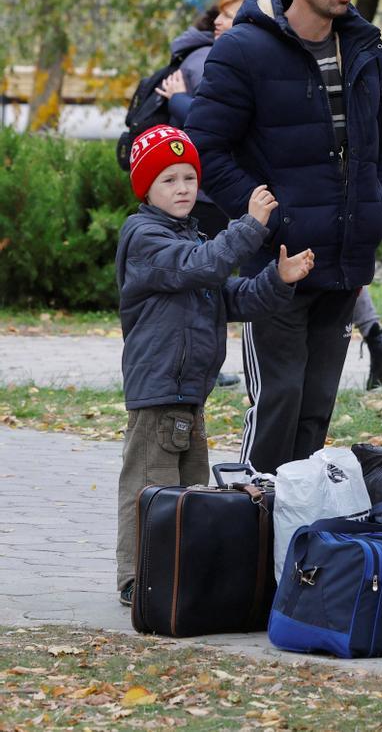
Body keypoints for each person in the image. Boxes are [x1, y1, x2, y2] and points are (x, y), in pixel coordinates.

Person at [186, 0, 382, 474]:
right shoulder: (243, 48)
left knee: (314, 415)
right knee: (277, 406)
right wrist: (268, 220)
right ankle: (249, 538)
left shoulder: (363, 47)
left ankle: (295, 548)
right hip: (275, 270)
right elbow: (207, 149)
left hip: (343, 261)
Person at [114, 124, 314, 606]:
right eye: (168, 180)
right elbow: (202, 266)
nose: (183, 188)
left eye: (188, 177)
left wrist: (278, 279)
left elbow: (231, 296)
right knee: (149, 487)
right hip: (159, 389)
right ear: (146, 189)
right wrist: (249, 227)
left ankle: (176, 572)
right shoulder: (144, 238)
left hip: (189, 391)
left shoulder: (190, 239)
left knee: (187, 493)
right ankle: (136, 577)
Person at [156, 0, 249, 388]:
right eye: (218, 13)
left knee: (209, 278)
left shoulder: (212, 57)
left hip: (214, 187)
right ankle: (199, 362)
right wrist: (180, 101)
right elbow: (206, 122)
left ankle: (200, 361)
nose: (217, 20)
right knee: (205, 279)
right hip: (208, 189)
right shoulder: (209, 58)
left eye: (227, 15)